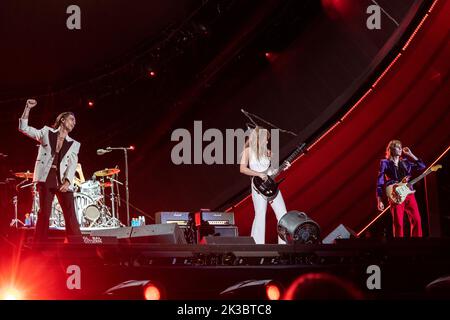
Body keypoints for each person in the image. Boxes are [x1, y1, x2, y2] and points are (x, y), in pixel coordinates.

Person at [19, 99, 81, 243]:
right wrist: (27, 109)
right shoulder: (46, 132)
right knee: (44, 213)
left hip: (62, 180)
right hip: (46, 177)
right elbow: (24, 128)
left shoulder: (74, 144)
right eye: (72, 119)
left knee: (70, 213)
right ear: (63, 119)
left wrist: (67, 181)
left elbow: (72, 164)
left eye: (75, 121)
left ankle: (77, 244)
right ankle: (39, 245)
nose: (74, 123)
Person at [240, 127, 290, 244]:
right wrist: (259, 174)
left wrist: (282, 168)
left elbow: (272, 172)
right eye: (265, 139)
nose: (267, 141)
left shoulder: (269, 152)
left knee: (283, 214)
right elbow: (242, 169)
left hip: (271, 185)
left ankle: (283, 246)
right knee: (261, 213)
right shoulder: (248, 151)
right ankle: (257, 245)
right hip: (258, 185)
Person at [376, 140, 426, 237]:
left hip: (409, 193)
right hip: (395, 194)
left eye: (400, 147)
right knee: (398, 223)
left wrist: (411, 154)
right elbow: (380, 182)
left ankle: (417, 245)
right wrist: (380, 200)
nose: (400, 149)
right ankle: (398, 247)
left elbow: (422, 166)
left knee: (417, 220)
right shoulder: (385, 163)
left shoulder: (405, 162)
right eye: (397, 147)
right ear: (391, 149)